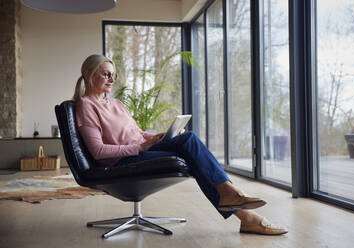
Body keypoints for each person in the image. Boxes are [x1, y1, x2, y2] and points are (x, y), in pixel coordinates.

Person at [73, 54, 288, 235]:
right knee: (190, 146)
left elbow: (135, 132)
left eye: (114, 74)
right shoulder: (86, 106)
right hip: (122, 160)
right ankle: (240, 207)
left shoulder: (116, 103)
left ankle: (234, 200)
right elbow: (99, 152)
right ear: (88, 75)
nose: (112, 79)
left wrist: (154, 136)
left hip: (140, 149)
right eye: (106, 74)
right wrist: (139, 148)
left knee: (188, 138)